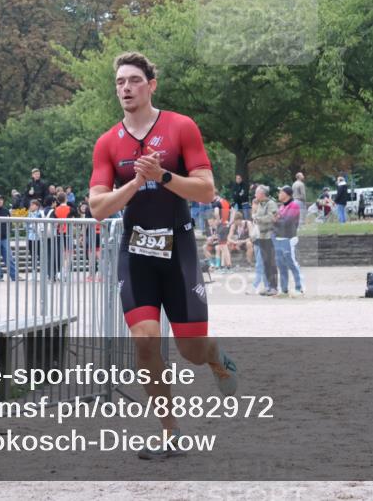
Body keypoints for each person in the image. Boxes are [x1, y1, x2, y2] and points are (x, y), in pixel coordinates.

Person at [87, 51, 238, 458]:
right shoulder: (108, 143)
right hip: (136, 250)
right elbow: (98, 208)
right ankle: (170, 434)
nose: (126, 88)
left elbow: (206, 190)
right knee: (146, 342)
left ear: (151, 85)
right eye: (120, 82)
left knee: (190, 350)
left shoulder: (180, 127)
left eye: (134, 80)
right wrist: (136, 182)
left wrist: (164, 176)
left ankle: (216, 357)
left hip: (179, 248)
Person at [274, 186, 304, 295]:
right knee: (281, 265)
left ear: (286, 194)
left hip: (289, 238)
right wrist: (276, 220)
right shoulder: (282, 207)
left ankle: (299, 287)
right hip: (279, 237)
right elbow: (276, 222)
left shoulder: (294, 205)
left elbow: (287, 222)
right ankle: (284, 289)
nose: (279, 194)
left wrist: (275, 220)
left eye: (280, 192)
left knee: (292, 263)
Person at [251, 185, 279, 295]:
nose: (255, 195)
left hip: (269, 236)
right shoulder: (261, 204)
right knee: (265, 263)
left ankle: (274, 287)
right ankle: (268, 286)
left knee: (271, 263)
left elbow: (272, 218)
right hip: (261, 236)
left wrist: (257, 219)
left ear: (262, 194)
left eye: (256, 193)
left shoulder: (271, 204)